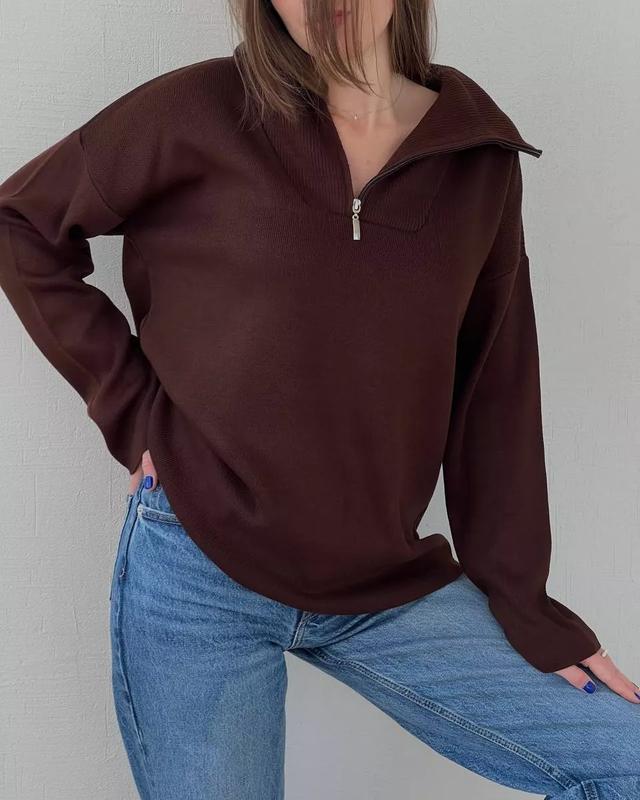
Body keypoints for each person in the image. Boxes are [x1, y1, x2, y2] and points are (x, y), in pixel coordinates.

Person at [1, 0, 639, 797]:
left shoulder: (477, 160)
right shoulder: (197, 111)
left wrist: (528, 607)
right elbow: (21, 223)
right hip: (199, 565)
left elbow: (495, 392)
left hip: (383, 582)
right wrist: (131, 412)